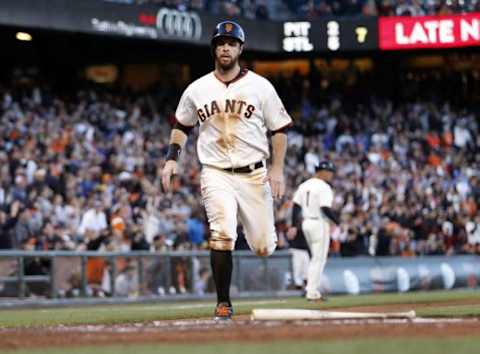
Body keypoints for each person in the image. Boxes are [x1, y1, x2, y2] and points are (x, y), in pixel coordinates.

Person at [162, 20, 292, 320]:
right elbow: (182, 125)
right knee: (221, 233)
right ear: (214, 48)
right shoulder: (197, 88)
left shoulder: (260, 86)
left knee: (263, 246)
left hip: (255, 173)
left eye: (231, 43)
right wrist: (171, 158)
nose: (225, 48)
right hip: (216, 171)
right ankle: (223, 302)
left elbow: (280, 129)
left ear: (240, 49)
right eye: (221, 43)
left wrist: (278, 168)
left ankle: (260, 241)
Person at [289, 160, 339, 301]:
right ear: (322, 172)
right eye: (329, 172)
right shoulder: (324, 187)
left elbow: (296, 207)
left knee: (314, 259)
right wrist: (337, 222)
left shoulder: (304, 185)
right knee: (319, 259)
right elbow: (325, 208)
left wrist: (294, 224)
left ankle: (311, 290)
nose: (331, 175)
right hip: (319, 223)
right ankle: (311, 292)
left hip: (306, 223)